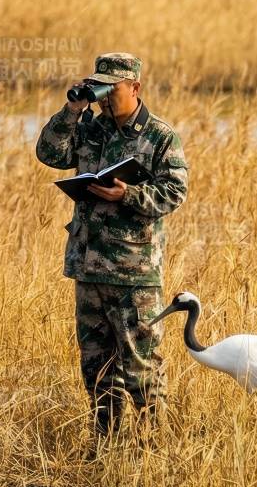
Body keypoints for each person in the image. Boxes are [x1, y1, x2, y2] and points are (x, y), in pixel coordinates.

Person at [35, 52, 189, 435]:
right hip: (89, 267)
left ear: (134, 88)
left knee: (141, 368)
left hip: (133, 274)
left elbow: (175, 192)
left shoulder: (159, 136)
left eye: (112, 88)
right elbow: (49, 153)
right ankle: (106, 448)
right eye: (99, 87)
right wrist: (72, 110)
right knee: (97, 368)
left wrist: (128, 195)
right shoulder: (91, 129)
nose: (104, 97)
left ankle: (155, 450)